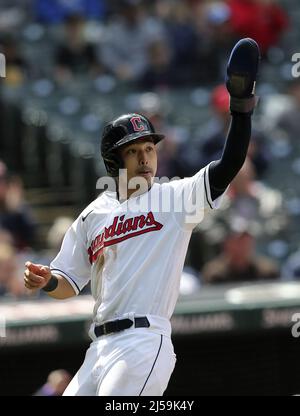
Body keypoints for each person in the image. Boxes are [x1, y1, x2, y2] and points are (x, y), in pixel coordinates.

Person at [24, 38, 260, 396]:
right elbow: (68, 283)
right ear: (113, 161)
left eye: (149, 147)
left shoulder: (174, 197)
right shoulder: (92, 215)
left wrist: (240, 108)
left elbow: (228, 165)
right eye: (134, 151)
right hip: (98, 348)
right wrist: (46, 282)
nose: (146, 158)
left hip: (142, 341)